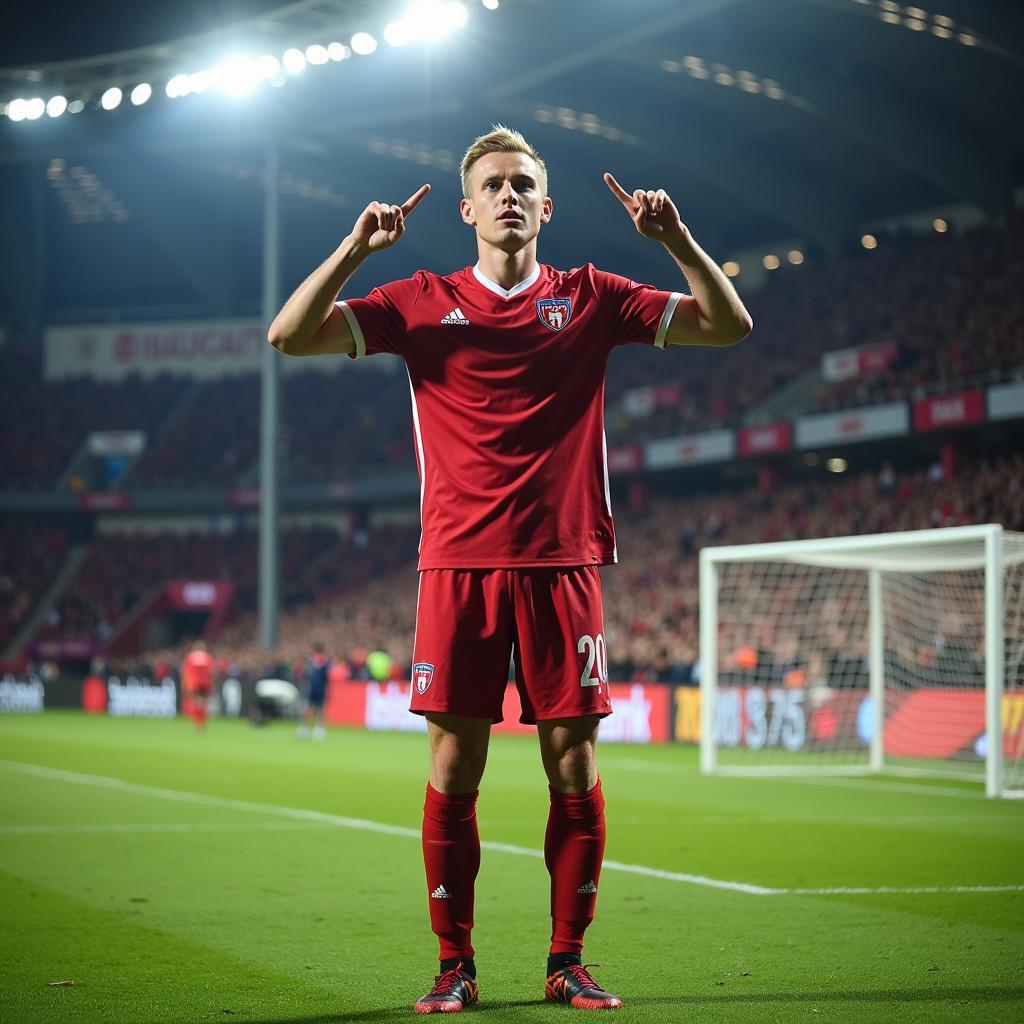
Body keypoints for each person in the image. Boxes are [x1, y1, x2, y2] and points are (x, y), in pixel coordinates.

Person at [268, 125, 752, 1013]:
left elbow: (730, 324)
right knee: (455, 766)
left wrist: (675, 243)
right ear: (466, 207)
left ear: (547, 204)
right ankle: (455, 964)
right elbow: (288, 336)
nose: (509, 196)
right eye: (492, 184)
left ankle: (567, 960)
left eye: (524, 183)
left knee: (573, 763)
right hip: (456, 564)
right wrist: (352, 249)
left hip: (564, 564)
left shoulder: (592, 296)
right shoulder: (418, 301)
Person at [296, 641, 331, 740]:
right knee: (319, 709)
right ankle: (318, 730)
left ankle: (306, 729)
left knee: (311, 708)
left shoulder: (314, 661)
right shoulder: (322, 661)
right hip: (319, 688)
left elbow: (305, 675)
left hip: (313, 688)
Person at [181, 639, 214, 732]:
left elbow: (186, 672)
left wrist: (185, 684)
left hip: (194, 683)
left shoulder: (190, 657)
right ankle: (201, 722)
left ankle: (197, 723)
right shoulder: (207, 657)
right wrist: (211, 685)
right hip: (204, 683)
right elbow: (211, 673)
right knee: (202, 703)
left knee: (196, 703)